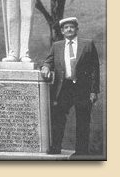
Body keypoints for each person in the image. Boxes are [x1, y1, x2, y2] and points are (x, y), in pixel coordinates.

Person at [41, 17, 100, 159]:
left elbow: (95, 69)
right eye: (66, 27)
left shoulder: (88, 44)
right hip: (64, 87)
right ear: (62, 31)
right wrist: (45, 67)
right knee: (58, 117)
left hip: (82, 87)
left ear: (77, 29)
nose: (69, 29)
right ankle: (56, 147)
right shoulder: (57, 46)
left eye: (72, 27)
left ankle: (81, 151)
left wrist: (94, 90)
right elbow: (48, 61)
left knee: (83, 119)